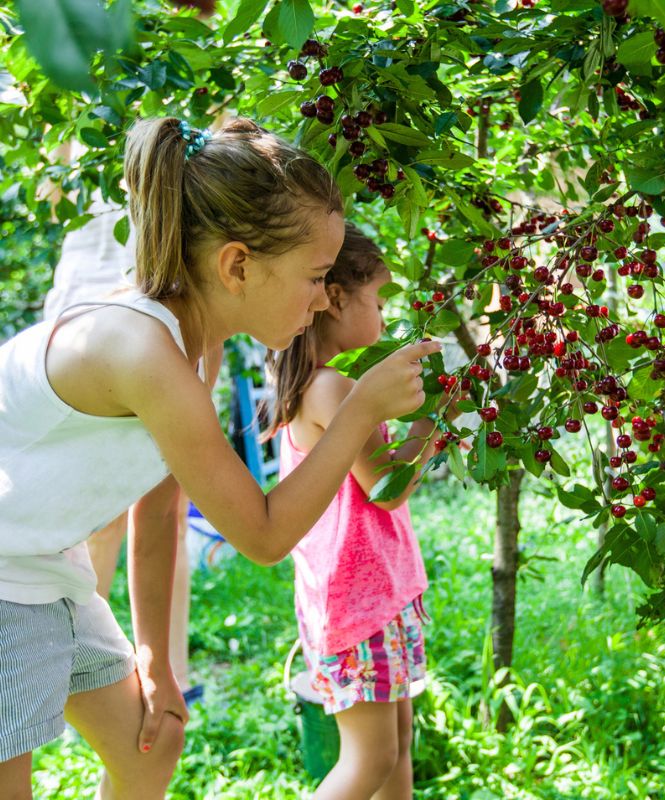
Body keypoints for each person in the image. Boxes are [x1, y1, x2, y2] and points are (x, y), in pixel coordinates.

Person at [0, 117, 440, 800]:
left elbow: (161, 509)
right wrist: (360, 413)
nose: (325, 298)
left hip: (43, 567)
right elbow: (262, 535)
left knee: (150, 751)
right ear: (237, 265)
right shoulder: (142, 352)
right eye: (317, 276)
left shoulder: (192, 349)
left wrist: (154, 655)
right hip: (4, 580)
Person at [266, 224, 457, 800]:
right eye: (378, 300)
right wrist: (434, 415)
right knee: (370, 760)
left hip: (377, 597)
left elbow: (385, 471)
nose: (384, 317)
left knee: (395, 750)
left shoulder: (333, 385)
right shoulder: (328, 389)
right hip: (356, 603)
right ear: (338, 297)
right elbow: (389, 487)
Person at [42, 190, 198, 701]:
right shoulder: (73, 117)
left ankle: (169, 669)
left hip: (167, 288)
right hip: (86, 293)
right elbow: (54, 202)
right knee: (96, 513)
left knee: (166, 500)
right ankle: (86, 669)